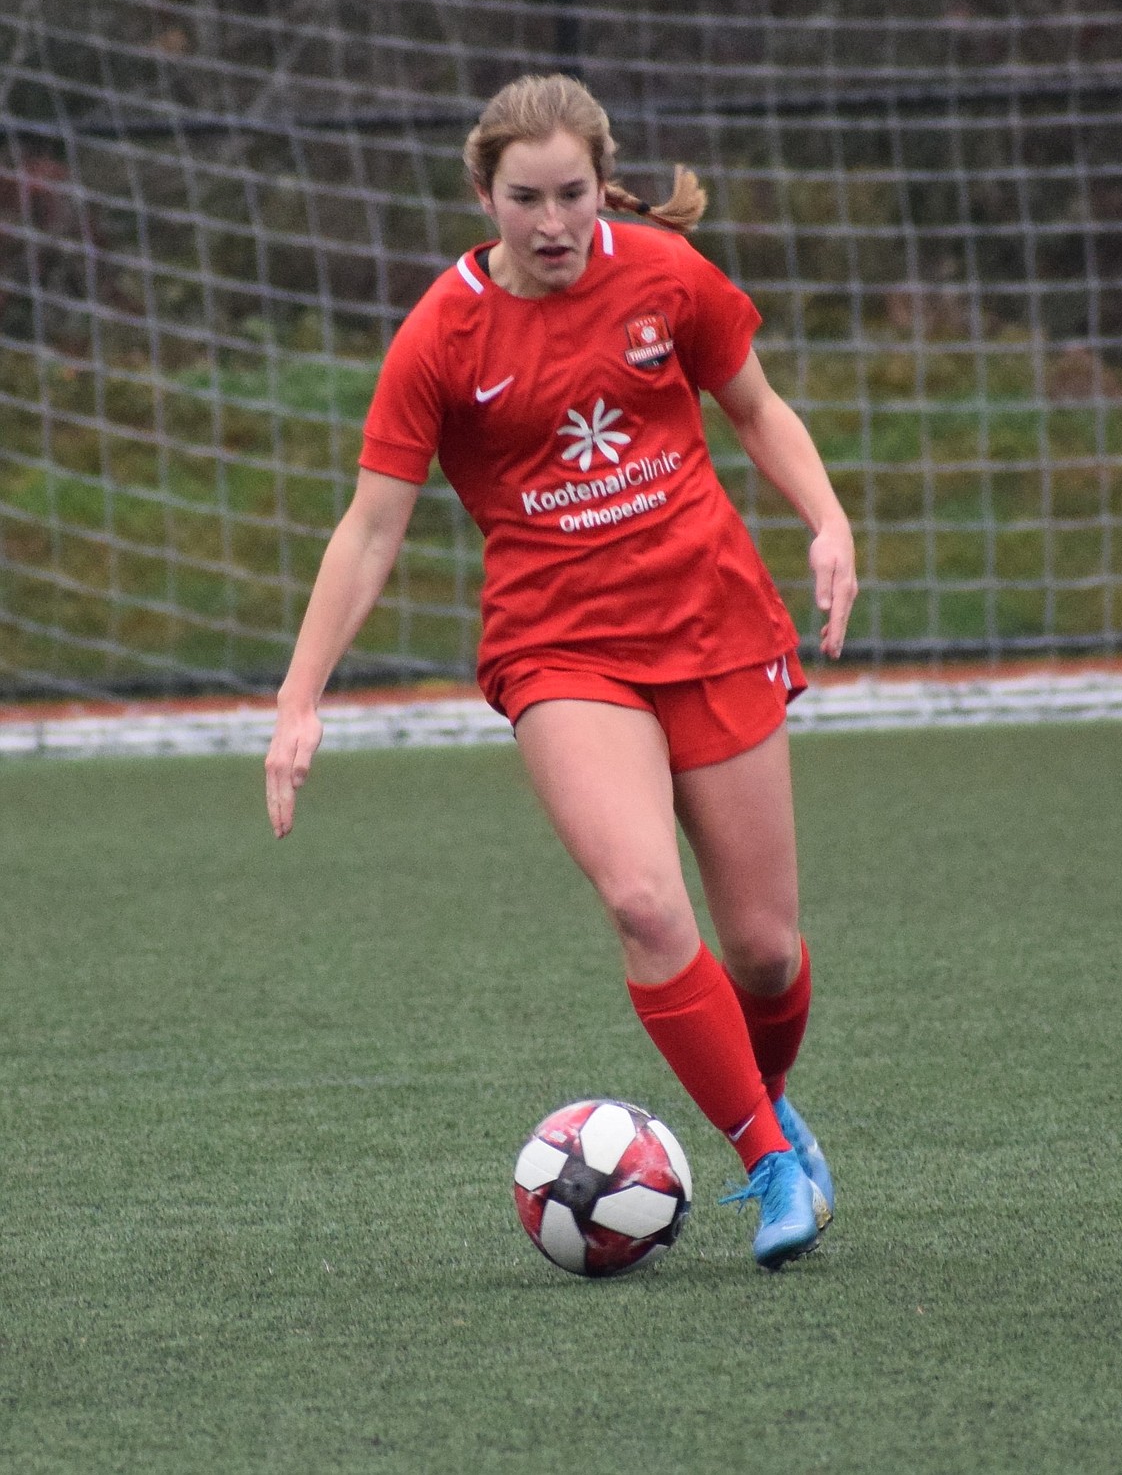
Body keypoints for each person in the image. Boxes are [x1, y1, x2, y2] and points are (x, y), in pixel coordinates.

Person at [264, 74, 858, 1269]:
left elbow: (756, 407)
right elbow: (371, 527)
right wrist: (298, 697)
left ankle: (767, 1093)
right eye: (523, 198)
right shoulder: (443, 329)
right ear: (483, 194)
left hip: (713, 620)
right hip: (560, 647)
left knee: (765, 951)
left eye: (572, 194)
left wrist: (828, 517)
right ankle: (769, 1158)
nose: (551, 222)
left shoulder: (665, 276)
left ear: (604, 181)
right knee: (644, 900)